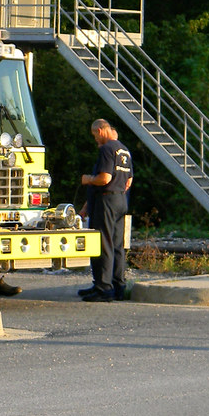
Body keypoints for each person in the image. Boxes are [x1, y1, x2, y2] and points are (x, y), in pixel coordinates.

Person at [78, 119, 133, 302]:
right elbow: (128, 181)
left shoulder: (106, 149)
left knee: (103, 244)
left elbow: (104, 178)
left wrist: (88, 179)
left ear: (101, 131)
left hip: (107, 200)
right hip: (121, 200)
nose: (96, 140)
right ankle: (118, 286)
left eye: (95, 136)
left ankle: (103, 288)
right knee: (117, 245)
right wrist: (87, 206)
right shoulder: (124, 150)